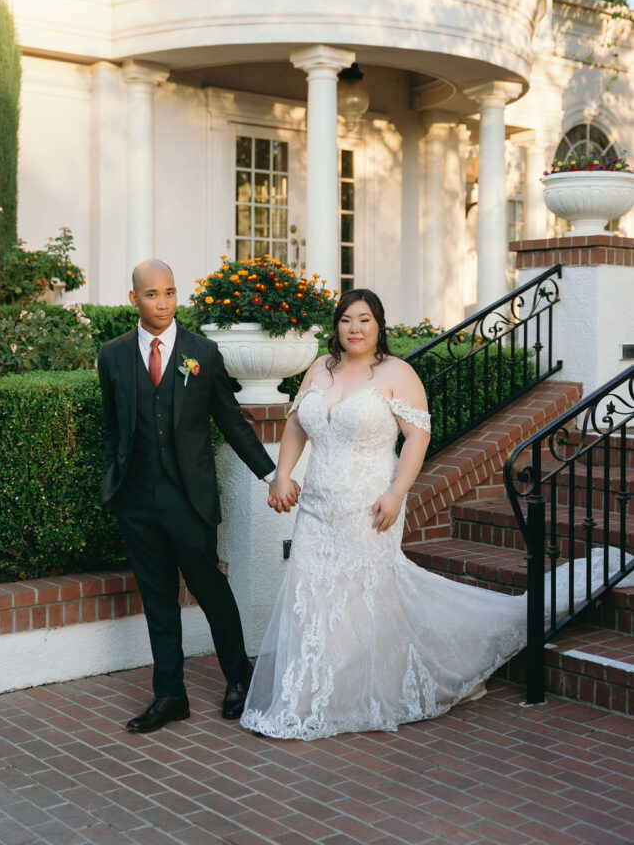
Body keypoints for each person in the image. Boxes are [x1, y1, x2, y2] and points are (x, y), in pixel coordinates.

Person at [241, 288, 532, 740]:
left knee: (362, 596)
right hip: (317, 506)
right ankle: (311, 697)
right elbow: (297, 424)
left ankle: (362, 692)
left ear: (379, 326)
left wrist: (398, 493)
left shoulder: (398, 373)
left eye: (364, 320)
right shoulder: (320, 367)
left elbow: (416, 438)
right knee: (312, 595)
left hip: (370, 504)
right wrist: (282, 474)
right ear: (336, 326)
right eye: (345, 320)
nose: (354, 329)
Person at [98, 259, 298, 733]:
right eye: (151, 294)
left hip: (189, 499)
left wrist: (272, 474)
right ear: (134, 299)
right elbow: (112, 426)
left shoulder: (201, 353)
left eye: (169, 292)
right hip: (136, 499)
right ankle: (170, 695)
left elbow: (232, 422)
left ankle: (239, 679)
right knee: (157, 597)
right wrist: (115, 480)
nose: (162, 303)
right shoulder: (112, 354)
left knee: (210, 589)